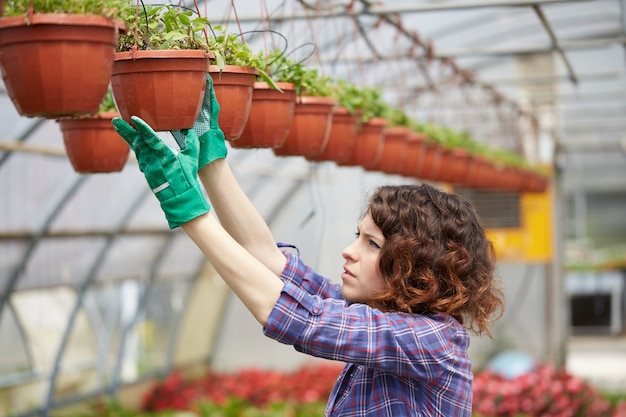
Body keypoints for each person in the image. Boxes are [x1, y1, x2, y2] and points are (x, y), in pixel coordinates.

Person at [112, 75, 505, 417]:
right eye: (358, 236)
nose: (349, 251)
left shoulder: (433, 341)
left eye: (371, 244)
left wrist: (190, 211)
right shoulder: (378, 316)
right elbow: (270, 262)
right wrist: (210, 158)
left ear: (416, 268)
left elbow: (303, 320)